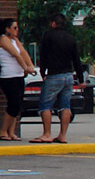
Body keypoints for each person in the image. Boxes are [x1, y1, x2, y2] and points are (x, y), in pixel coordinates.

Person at [34, 13, 84, 143]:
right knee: (65, 105)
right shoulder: (70, 38)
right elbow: (76, 60)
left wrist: (43, 73)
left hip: (54, 75)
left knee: (45, 105)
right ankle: (62, 135)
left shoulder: (48, 36)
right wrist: (81, 79)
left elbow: (43, 55)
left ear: (53, 23)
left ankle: (47, 134)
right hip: (68, 75)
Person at [0, 18, 34, 142]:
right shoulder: (2, 39)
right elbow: (15, 55)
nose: (17, 30)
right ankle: (3, 131)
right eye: (15, 28)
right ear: (7, 29)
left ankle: (11, 132)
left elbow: (23, 52)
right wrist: (25, 67)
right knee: (13, 103)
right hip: (8, 76)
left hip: (18, 76)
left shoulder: (14, 40)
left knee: (18, 105)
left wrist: (30, 66)